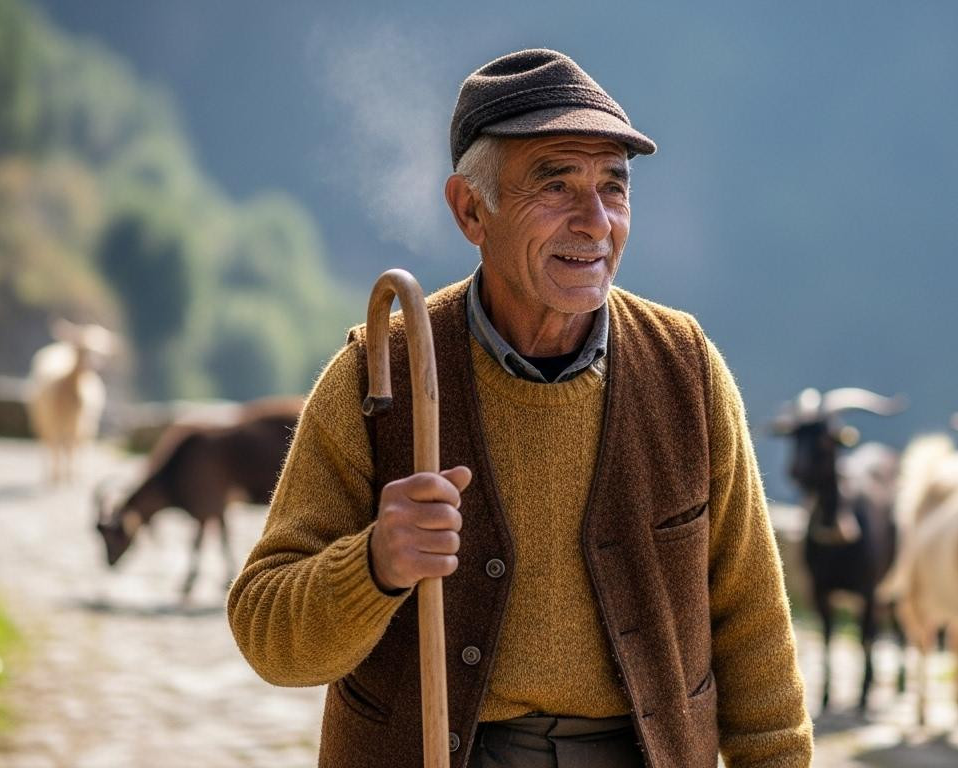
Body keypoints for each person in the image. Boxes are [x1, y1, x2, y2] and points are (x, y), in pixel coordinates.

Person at [228, 48, 811, 768]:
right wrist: (375, 563)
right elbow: (267, 634)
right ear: (472, 210)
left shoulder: (684, 368)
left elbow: (754, 634)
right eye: (556, 185)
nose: (595, 222)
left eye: (614, 187)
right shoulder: (382, 373)